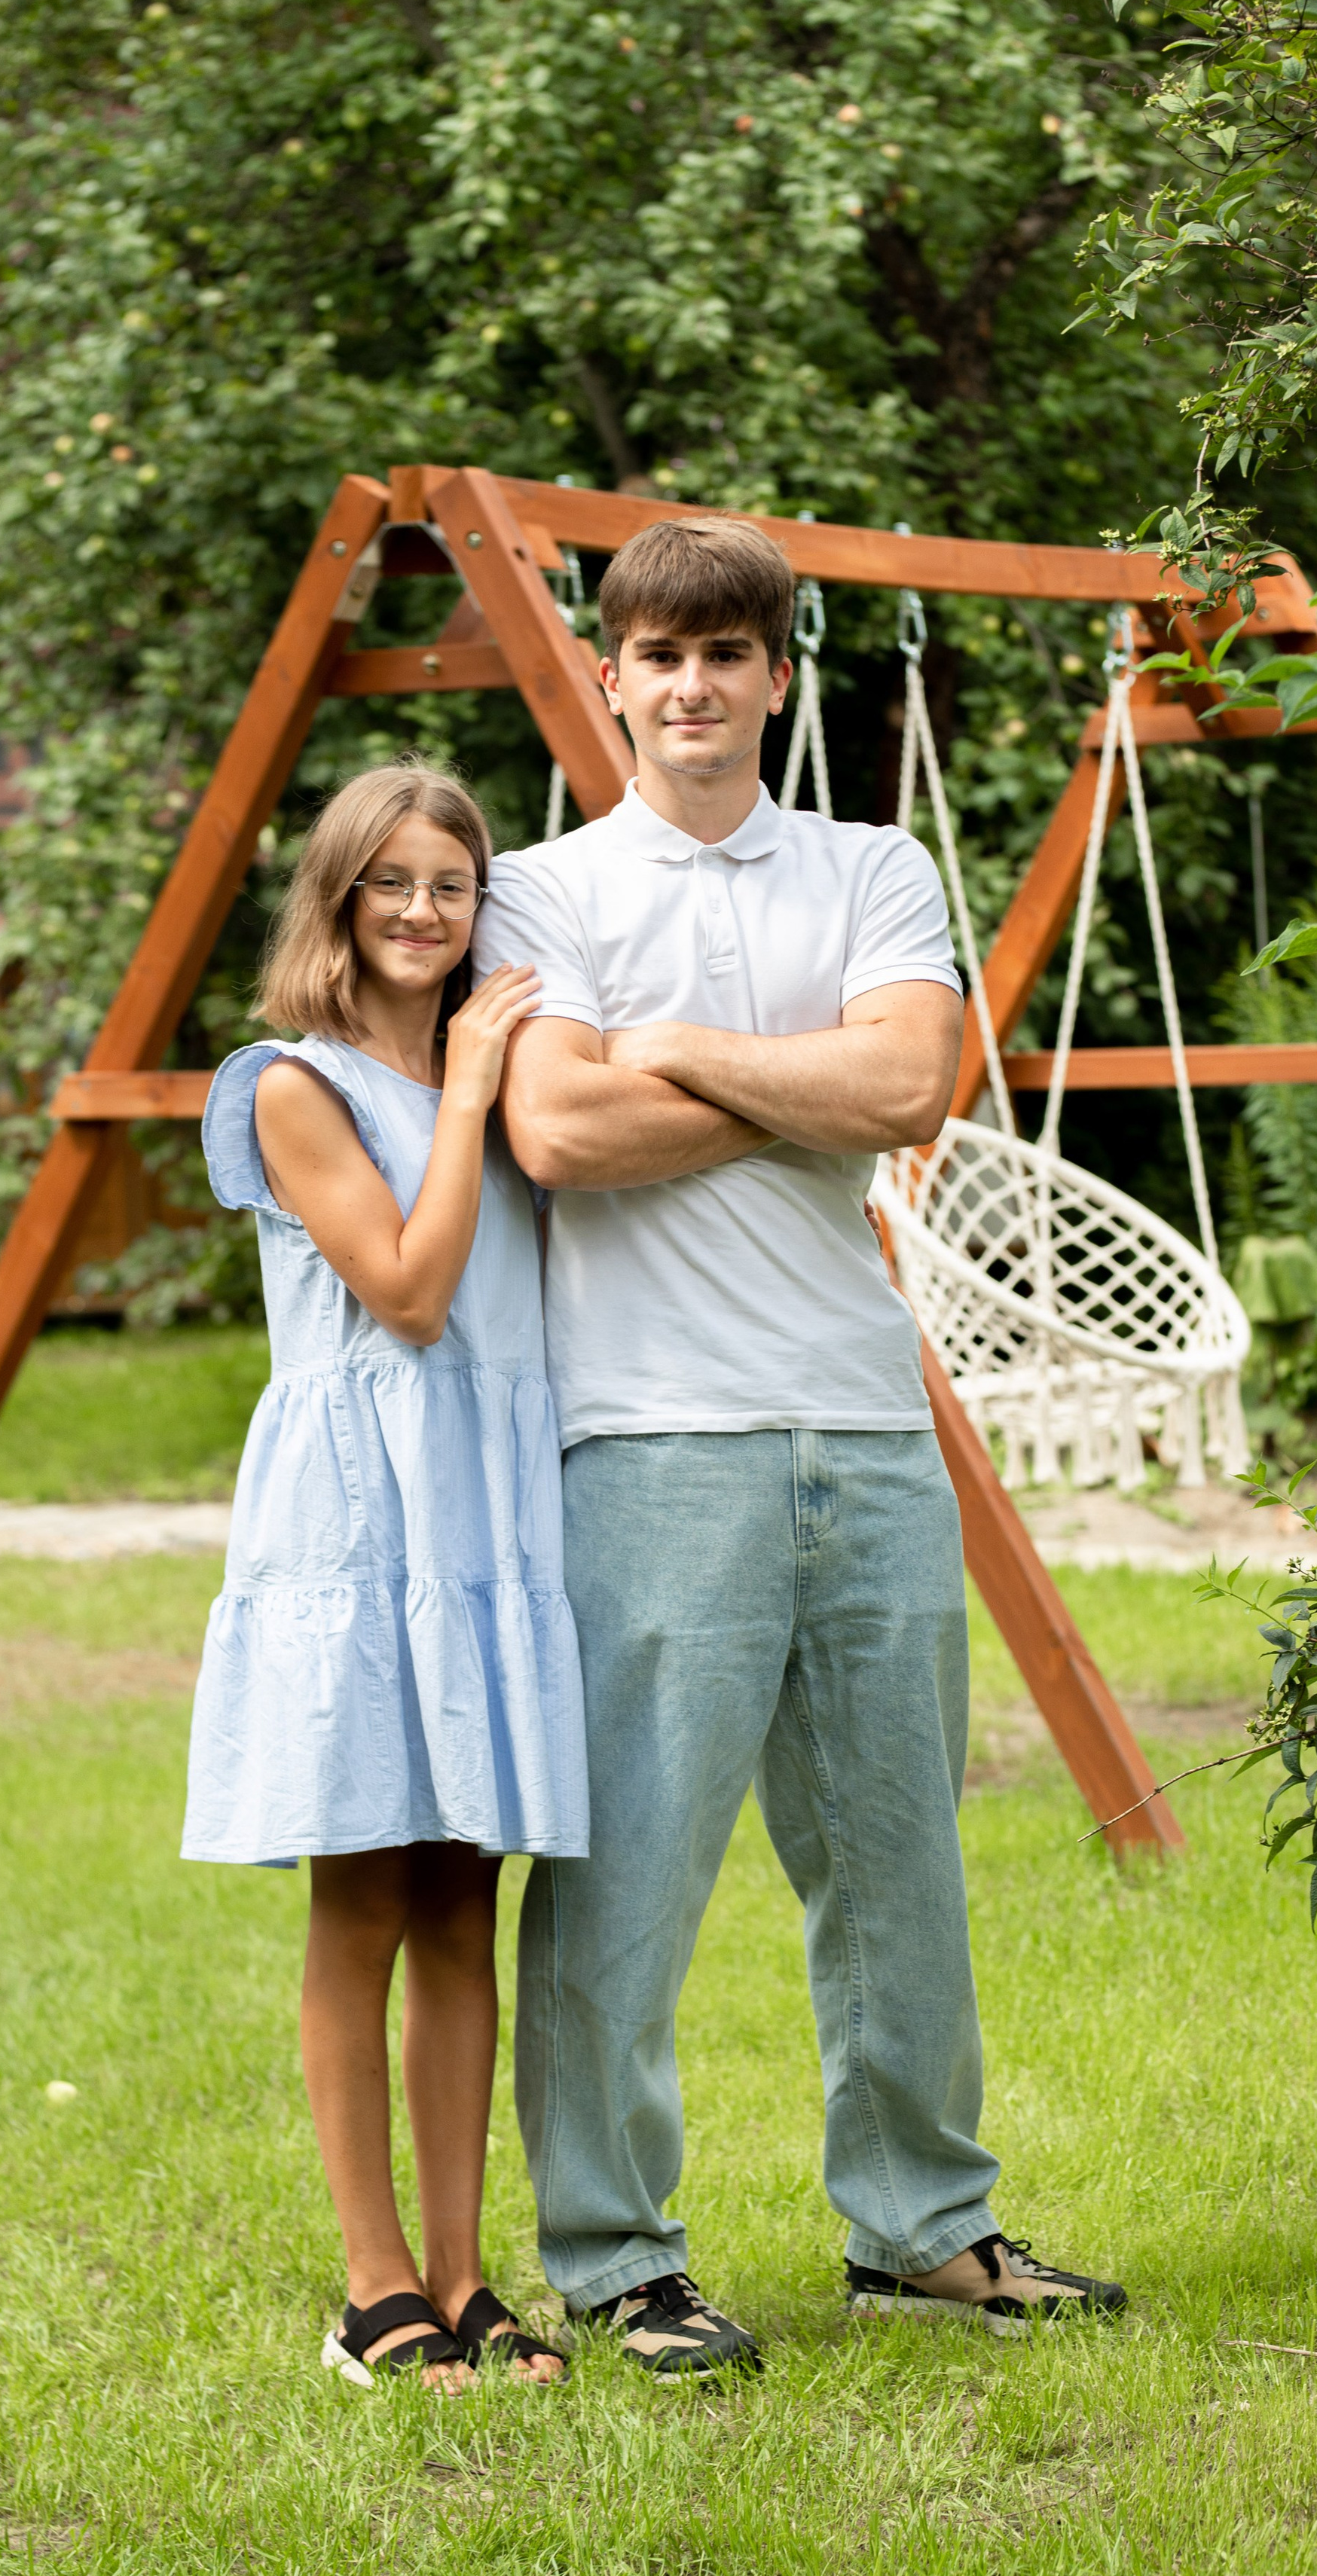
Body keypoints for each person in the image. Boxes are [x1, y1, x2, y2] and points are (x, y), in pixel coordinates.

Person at [475, 517, 1126, 2376]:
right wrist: (786, 1083)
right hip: (650, 1438)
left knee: (896, 1860)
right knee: (631, 1870)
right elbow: (560, 1142)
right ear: (612, 678)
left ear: (777, 676)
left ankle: (921, 2232)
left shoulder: (871, 865)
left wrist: (667, 1048)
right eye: (657, 657)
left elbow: (909, 1087)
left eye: (726, 655)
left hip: (864, 1425)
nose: (691, 687)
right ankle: (614, 2260)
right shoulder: (537, 894)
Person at [183, 762, 588, 2391]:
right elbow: (411, 1294)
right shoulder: (294, 1086)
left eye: (451, 885)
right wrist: (478, 1089)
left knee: (459, 1900)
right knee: (359, 1898)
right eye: (392, 885)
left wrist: (499, 1076)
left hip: (482, 1509)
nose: (425, 913)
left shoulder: (502, 1067)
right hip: (362, 1518)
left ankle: (466, 2276)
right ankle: (373, 2291)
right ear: (338, 901)